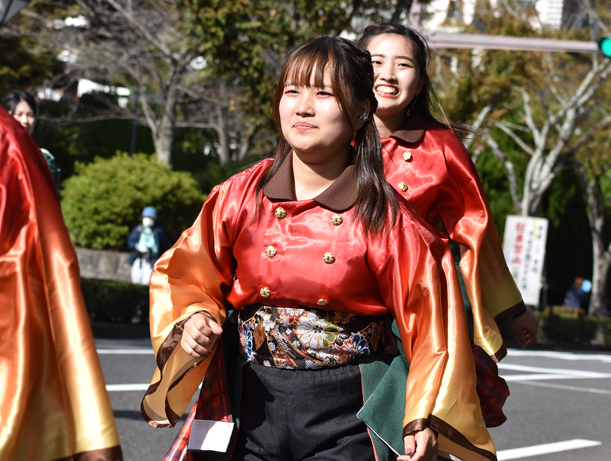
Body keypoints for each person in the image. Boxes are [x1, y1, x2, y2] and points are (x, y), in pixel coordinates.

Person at [142, 36, 496, 461]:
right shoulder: (238, 194)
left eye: (324, 93)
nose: (303, 107)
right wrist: (195, 316)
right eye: (292, 90)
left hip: (349, 414)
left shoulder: (389, 218)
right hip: (247, 400)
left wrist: (421, 414)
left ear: (362, 111)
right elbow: (185, 271)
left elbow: (432, 329)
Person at [357, 23, 538, 361]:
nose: (388, 75)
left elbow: (477, 231)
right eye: (376, 62)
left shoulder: (440, 146)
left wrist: (513, 309)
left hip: (412, 309)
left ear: (421, 82)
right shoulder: (327, 134)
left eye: (404, 65)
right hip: (329, 305)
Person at [0, 98, 122, 459]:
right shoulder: (7, 140)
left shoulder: (6, 143)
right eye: (21, 111)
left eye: (30, 112)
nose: (26, 118)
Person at [2, 90, 61, 188]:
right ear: (5, 116)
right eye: (19, 114)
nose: (25, 121)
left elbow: (48, 200)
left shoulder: (43, 159)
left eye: (30, 115)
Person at [127, 206, 169, 285]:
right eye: (146, 217)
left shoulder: (159, 231)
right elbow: (131, 241)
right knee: (136, 277)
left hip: (152, 260)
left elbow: (164, 246)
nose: (147, 219)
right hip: (138, 257)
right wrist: (137, 246)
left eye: (150, 218)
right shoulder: (138, 228)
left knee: (147, 280)